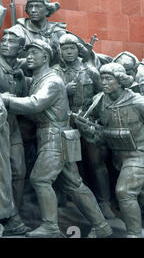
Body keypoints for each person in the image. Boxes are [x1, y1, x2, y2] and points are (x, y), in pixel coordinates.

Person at [0, 40, 111, 238]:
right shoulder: (39, 78)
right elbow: (32, 88)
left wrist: (5, 99)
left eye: (35, 53)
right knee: (74, 185)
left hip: (54, 137)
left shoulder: (52, 80)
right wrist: (21, 80)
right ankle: (101, 226)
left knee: (40, 179)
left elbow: (35, 103)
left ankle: (50, 227)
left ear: (46, 57)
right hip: (57, 137)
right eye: (29, 53)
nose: (29, 57)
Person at [76, 63, 144, 238]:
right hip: (121, 156)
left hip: (141, 153)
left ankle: (134, 235)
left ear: (120, 81)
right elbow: (97, 128)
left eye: (108, 79)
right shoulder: (100, 101)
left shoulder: (140, 102)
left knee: (125, 192)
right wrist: (90, 132)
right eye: (102, 78)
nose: (103, 82)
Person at [53, 33, 116, 219]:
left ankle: (104, 203)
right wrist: (64, 91)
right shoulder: (54, 72)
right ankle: (73, 202)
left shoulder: (90, 71)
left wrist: (98, 120)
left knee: (97, 163)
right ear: (60, 51)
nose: (69, 52)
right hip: (66, 124)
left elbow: (103, 95)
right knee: (71, 164)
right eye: (65, 49)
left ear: (78, 50)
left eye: (72, 48)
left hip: (89, 124)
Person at [0, 29, 30, 214]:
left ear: (20, 49)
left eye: (11, 42)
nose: (4, 43)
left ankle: (15, 214)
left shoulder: (18, 71)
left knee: (19, 170)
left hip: (13, 127)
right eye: (3, 40)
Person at [7, 0, 66, 65]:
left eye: (38, 6)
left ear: (47, 10)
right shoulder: (17, 32)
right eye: (30, 6)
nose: (33, 10)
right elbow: (8, 60)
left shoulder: (58, 32)